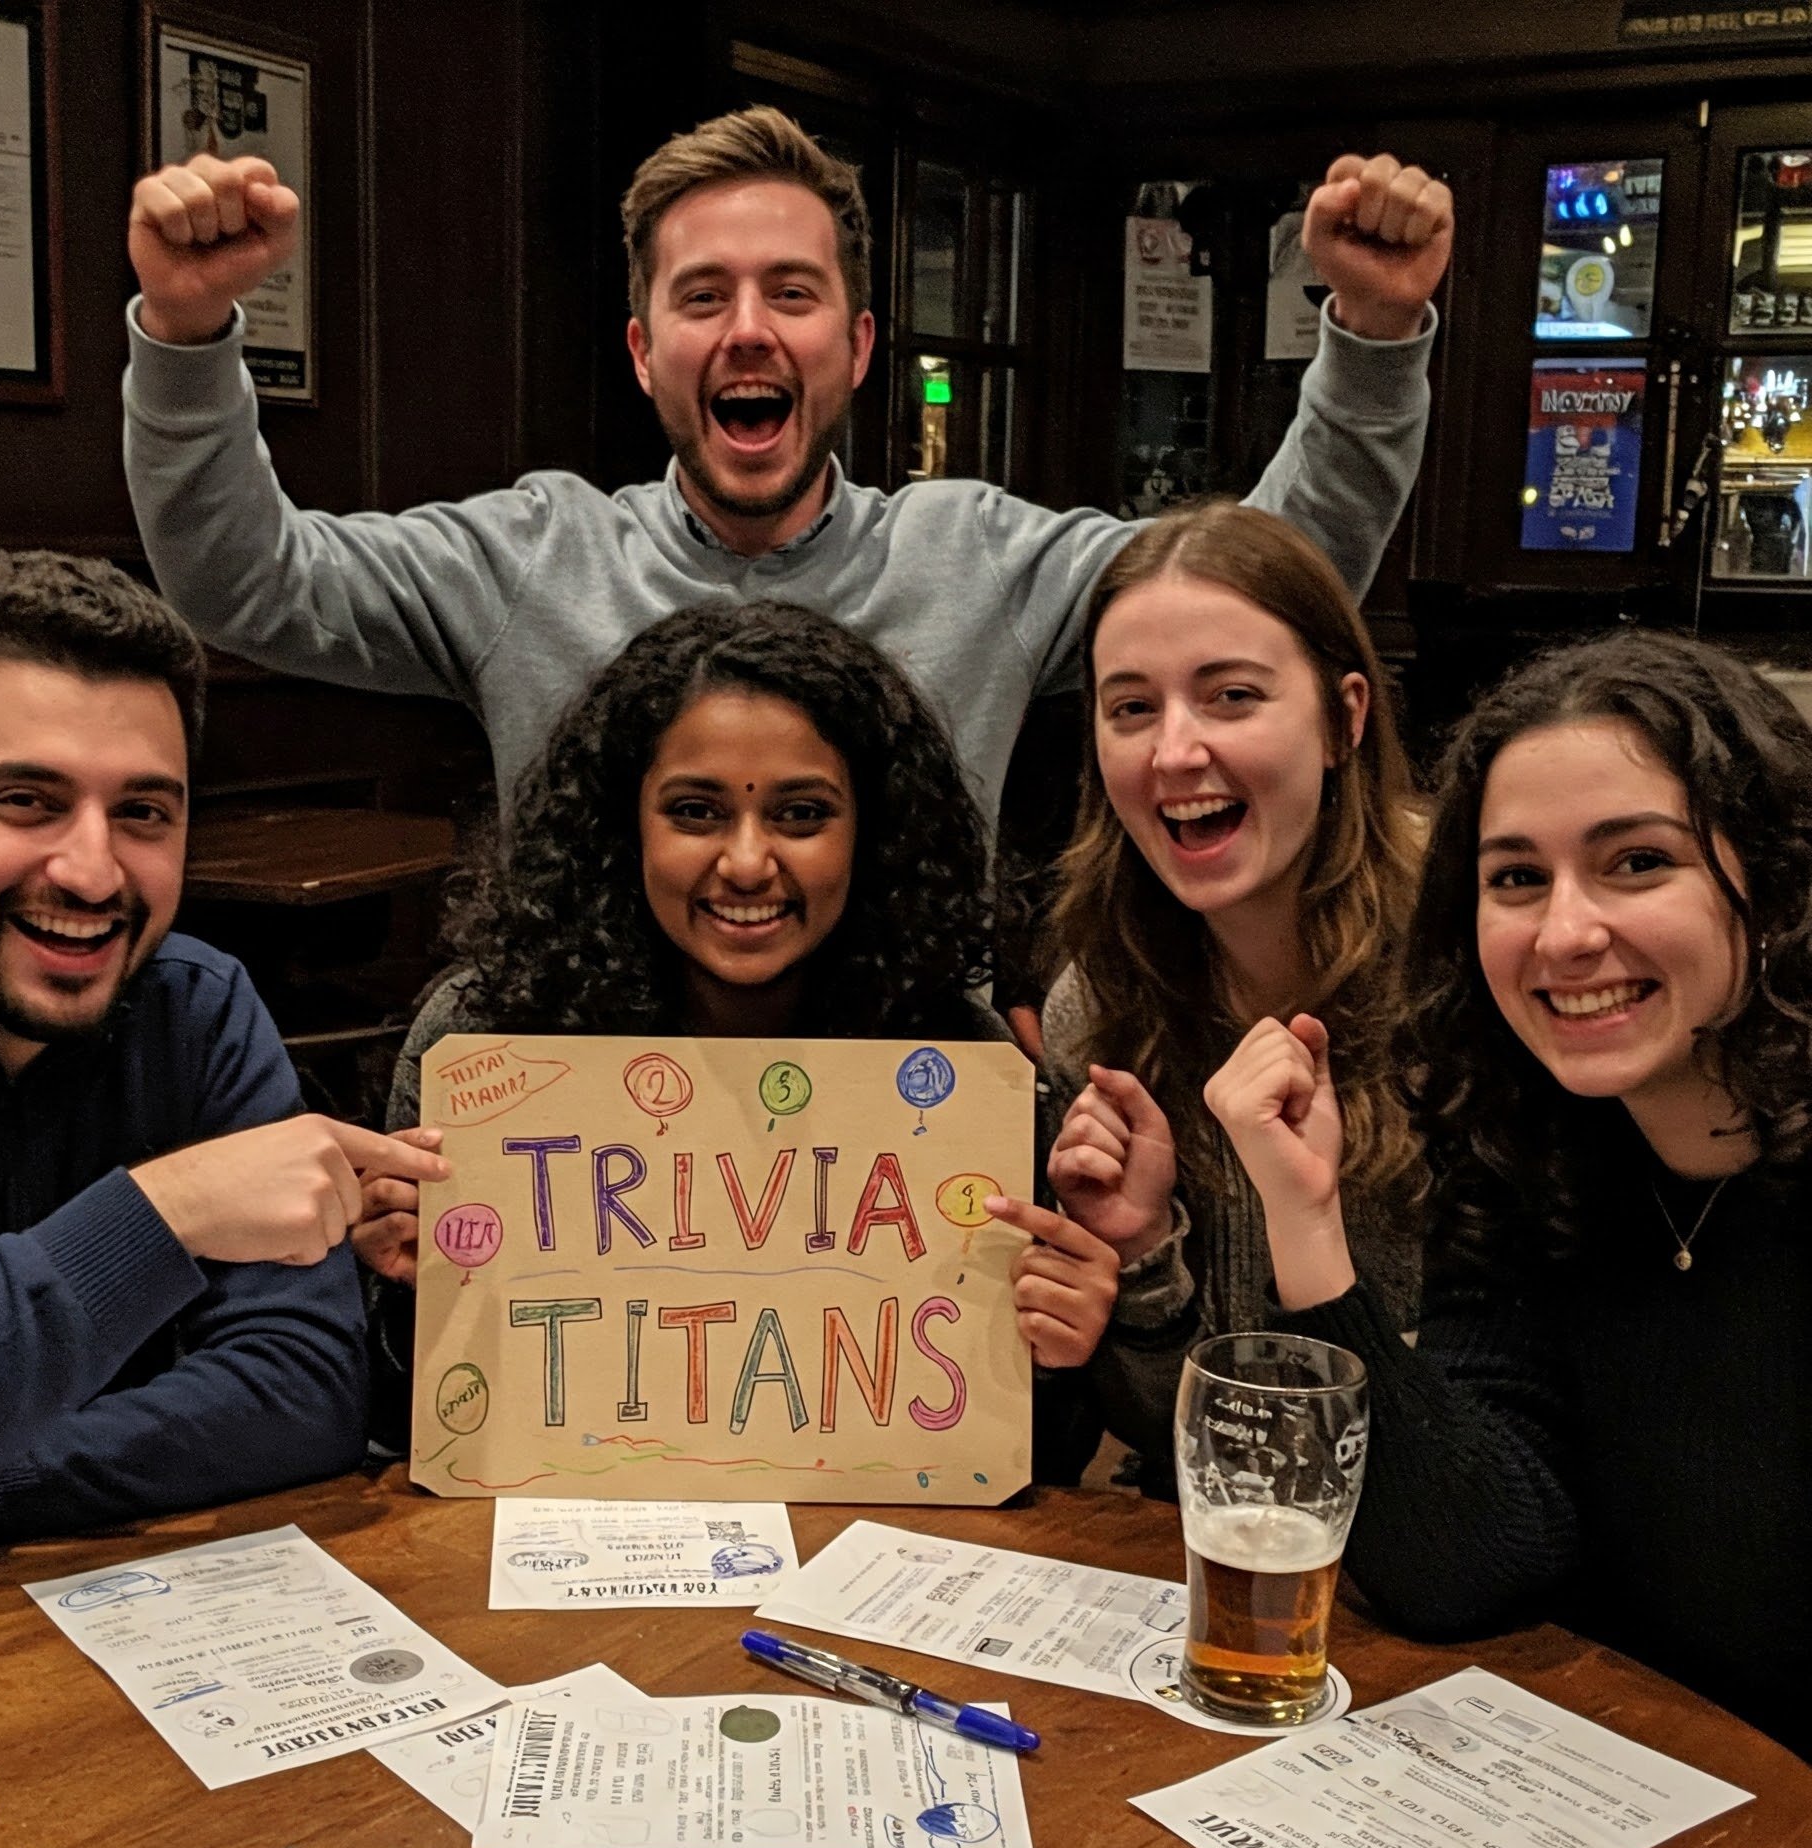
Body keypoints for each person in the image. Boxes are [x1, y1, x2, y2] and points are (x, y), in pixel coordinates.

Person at [120, 106, 1453, 825]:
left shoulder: (978, 556)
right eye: (703, 297)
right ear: (645, 353)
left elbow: (1264, 594)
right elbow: (248, 587)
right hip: (593, 1134)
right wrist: (183, 335)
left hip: (912, 1137)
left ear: (856, 346)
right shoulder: (528, 555)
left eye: (792, 293)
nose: (748, 329)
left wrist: (1376, 335)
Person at [1205, 631, 1812, 1758]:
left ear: (1771, 878)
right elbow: (1463, 1564)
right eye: (1517, 879)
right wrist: (1305, 1220)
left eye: (1637, 861)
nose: (1565, 933)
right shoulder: (1526, 1157)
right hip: (1633, 1792)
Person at [0, 552, 448, 1539]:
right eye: (26, 800)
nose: (92, 872)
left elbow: (302, 1393)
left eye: (141, 813)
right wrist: (166, 1212)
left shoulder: (201, 1006)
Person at [357, 599, 1117, 1441]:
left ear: (873, 831)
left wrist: (1057, 1353)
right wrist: (410, 1295)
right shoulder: (482, 1038)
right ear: (623, 824)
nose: (748, 862)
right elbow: (398, 1420)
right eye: (695, 811)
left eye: (802, 814)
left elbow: (1029, 1450)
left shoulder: (959, 1064)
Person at [1036, 501, 1426, 1488]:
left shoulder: (1463, 974)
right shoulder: (1099, 1001)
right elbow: (1173, 1439)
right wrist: (1141, 1256)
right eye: (1131, 708)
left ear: (1344, 718)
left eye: (1231, 697)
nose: (1173, 752)